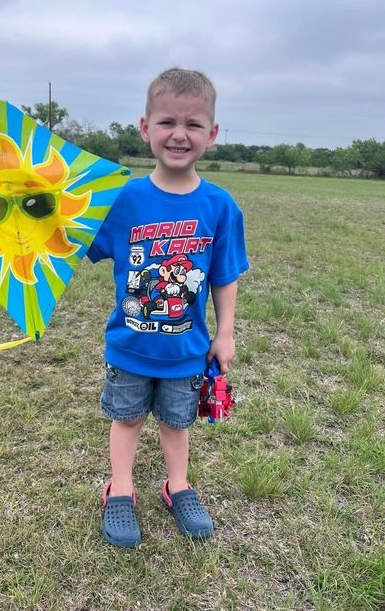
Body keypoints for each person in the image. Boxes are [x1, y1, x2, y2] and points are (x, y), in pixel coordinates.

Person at [87, 67, 249, 548]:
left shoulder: (220, 206)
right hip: (129, 345)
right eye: (167, 122)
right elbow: (77, 242)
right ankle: (120, 489)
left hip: (186, 349)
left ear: (212, 134)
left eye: (193, 124)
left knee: (177, 423)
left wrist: (225, 333)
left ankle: (177, 486)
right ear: (145, 128)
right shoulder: (123, 200)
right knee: (127, 419)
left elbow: (224, 275)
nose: (179, 134)